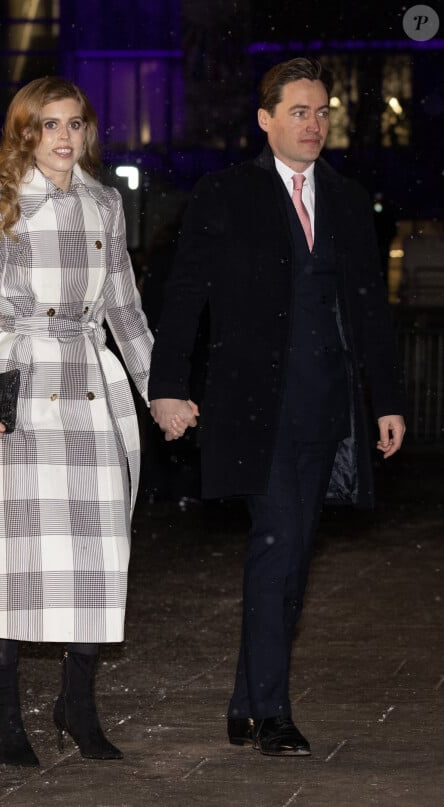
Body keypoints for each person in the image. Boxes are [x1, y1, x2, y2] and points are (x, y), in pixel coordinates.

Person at [148, 57, 406, 757]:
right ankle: (273, 713)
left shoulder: (349, 200)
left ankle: (244, 697)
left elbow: (367, 311)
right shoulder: (226, 194)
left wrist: (387, 400)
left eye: (323, 112)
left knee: (289, 555)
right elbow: (184, 296)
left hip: (327, 408)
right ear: (265, 120)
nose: (315, 123)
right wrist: (166, 384)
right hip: (253, 407)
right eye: (300, 111)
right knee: (278, 550)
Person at [0, 77, 158, 767]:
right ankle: (3, 707)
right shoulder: (1, 201)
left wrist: (158, 389)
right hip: (16, 386)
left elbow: (125, 308)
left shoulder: (106, 202)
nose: (63, 137)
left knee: (94, 547)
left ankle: (76, 702)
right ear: (25, 133)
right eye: (48, 124)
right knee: (12, 553)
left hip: (87, 385)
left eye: (74, 123)